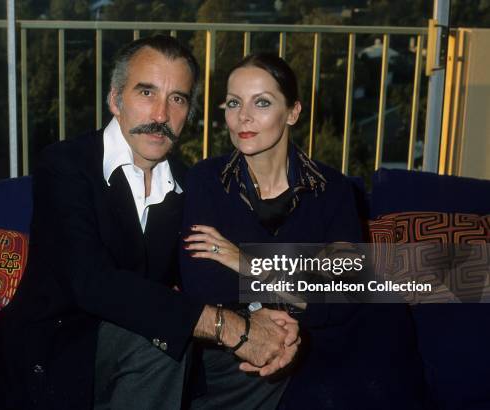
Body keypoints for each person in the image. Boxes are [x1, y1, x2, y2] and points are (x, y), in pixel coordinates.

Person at [0, 36, 299, 410]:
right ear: (115, 100)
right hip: (54, 353)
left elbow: (205, 274)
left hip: (135, 357)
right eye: (146, 93)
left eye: (177, 99)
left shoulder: (192, 185)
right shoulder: (65, 165)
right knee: (158, 342)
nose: (161, 115)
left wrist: (262, 319)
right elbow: (91, 282)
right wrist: (230, 328)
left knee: (267, 364)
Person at [181, 53, 426, 410]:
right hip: (255, 344)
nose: (243, 116)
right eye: (234, 103)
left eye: (262, 102)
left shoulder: (335, 189)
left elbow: (343, 295)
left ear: (293, 113)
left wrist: (243, 260)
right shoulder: (205, 181)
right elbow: (201, 283)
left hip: (344, 342)